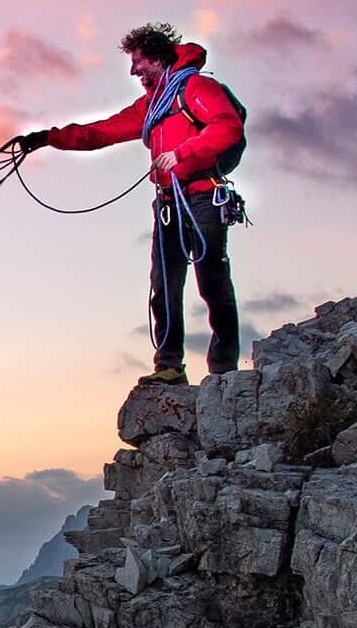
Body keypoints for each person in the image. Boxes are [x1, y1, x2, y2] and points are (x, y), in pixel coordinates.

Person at [22, 23, 245, 386]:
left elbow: (228, 127)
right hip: (170, 202)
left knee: (212, 281)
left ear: (157, 57)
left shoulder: (197, 88)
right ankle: (169, 367)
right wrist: (46, 139)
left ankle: (224, 370)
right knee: (165, 284)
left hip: (204, 196)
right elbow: (101, 132)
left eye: (139, 62)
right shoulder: (151, 105)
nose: (134, 71)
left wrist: (181, 153)